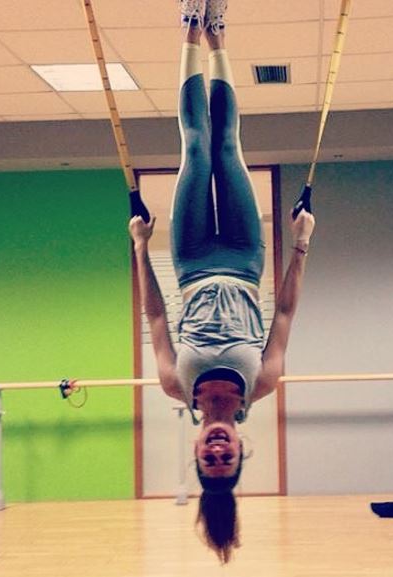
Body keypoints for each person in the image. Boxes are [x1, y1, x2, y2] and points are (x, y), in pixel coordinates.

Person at [128, 0, 315, 564]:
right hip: (243, 257)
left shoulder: (175, 383)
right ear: (239, 451)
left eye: (207, 460)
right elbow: (285, 314)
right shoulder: (262, 382)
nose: (216, 452)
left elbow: (155, 317)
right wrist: (301, 242)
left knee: (195, 147)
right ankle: (218, 41)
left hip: (189, 260)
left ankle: (190, 30)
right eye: (225, 460)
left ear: (195, 451)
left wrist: (140, 247)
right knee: (228, 146)